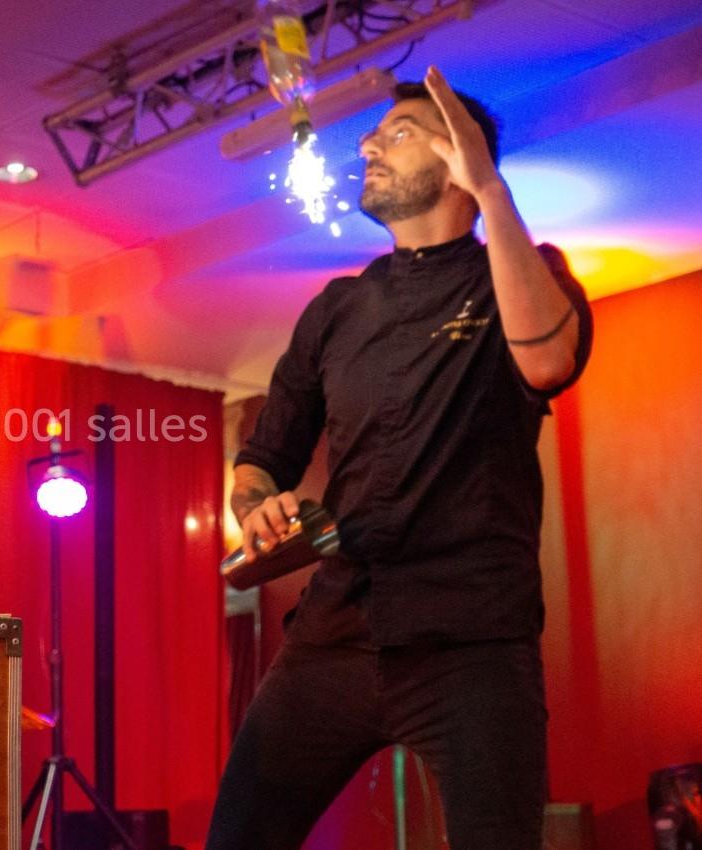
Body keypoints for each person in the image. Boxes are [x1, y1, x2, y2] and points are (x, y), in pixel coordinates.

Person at [205, 65, 593, 850]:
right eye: (374, 136)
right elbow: (261, 462)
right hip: (334, 634)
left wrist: (491, 193)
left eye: (400, 133)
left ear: (460, 160)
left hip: (472, 641)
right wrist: (259, 509)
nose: (371, 146)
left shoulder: (524, 274)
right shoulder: (337, 308)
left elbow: (549, 364)